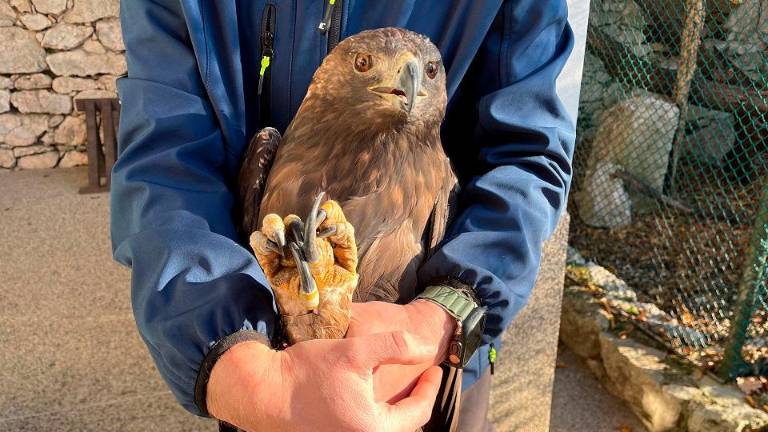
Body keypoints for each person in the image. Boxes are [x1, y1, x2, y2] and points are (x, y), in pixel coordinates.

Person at [111, 1, 575, 431]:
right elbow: (166, 158)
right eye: (364, 64)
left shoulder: (437, 175)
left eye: (429, 72)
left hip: (431, 372)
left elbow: (528, 154)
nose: (410, 81)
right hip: (265, 369)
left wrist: (450, 312)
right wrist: (247, 376)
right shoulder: (275, 156)